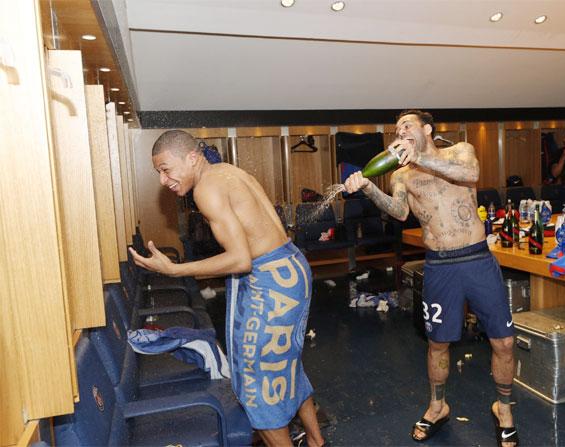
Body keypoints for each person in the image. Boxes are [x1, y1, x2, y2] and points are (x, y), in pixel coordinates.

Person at [129, 130, 326, 447]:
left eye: (166, 169)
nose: (163, 180)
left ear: (192, 158)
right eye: (158, 173)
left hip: (271, 277)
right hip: (291, 265)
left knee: (256, 381)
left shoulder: (206, 189)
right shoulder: (228, 171)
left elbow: (240, 260)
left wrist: (175, 269)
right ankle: (317, 442)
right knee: (284, 364)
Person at [343, 110, 518, 446]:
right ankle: (438, 406)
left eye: (406, 126)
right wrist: (367, 188)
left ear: (427, 129)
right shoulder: (402, 174)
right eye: (396, 129)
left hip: (477, 258)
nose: (400, 131)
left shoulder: (459, 151)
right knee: (438, 343)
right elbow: (399, 212)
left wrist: (420, 156)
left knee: (504, 342)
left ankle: (504, 407)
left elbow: (471, 173)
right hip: (439, 265)